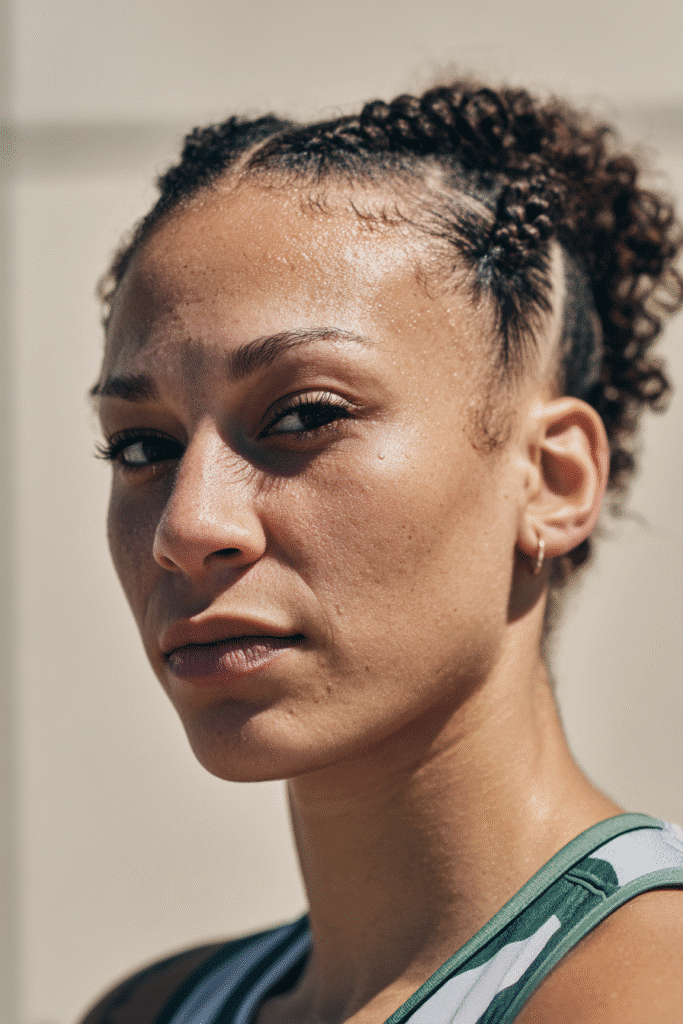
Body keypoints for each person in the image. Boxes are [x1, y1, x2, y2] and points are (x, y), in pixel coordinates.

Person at [81, 79, 683, 1024]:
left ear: (551, 479)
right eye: (142, 447)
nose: (186, 527)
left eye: (303, 416)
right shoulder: (152, 1008)